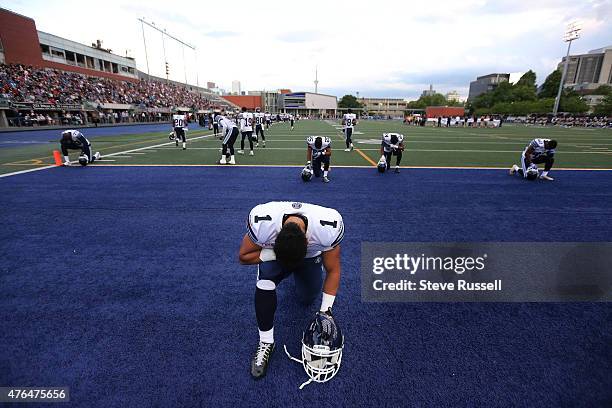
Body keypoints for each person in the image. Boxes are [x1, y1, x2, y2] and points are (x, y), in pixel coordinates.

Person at [238, 201, 344, 380]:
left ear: (308, 241)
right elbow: (243, 256)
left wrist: (326, 310)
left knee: (307, 298)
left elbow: (333, 269)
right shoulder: (263, 222)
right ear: (275, 237)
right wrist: (272, 255)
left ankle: (300, 275)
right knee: (265, 282)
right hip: (276, 256)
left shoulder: (327, 227)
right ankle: (266, 342)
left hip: (309, 259)